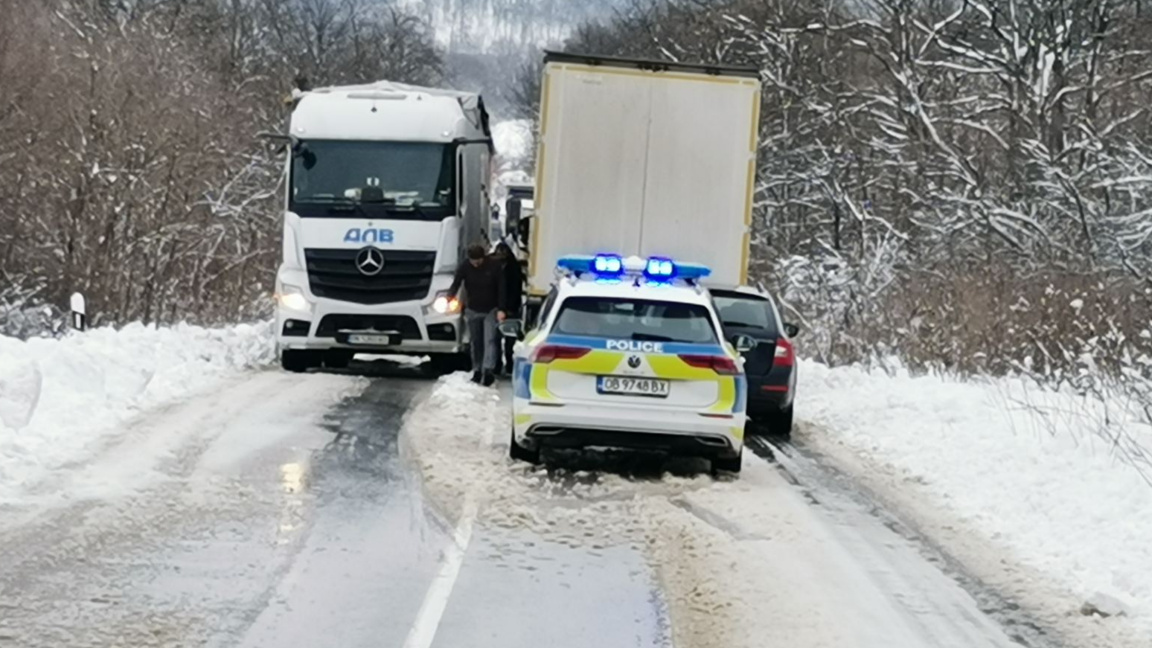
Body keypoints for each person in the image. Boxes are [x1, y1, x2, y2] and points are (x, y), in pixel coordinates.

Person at [448, 244, 506, 386]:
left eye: (478, 261)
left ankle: (488, 371)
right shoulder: (465, 266)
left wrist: (502, 308)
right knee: (476, 342)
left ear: (483, 257)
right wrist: (449, 296)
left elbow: (501, 287)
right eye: (473, 261)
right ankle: (477, 369)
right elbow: (457, 282)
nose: (475, 264)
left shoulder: (494, 266)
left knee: (490, 340)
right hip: (473, 308)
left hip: (491, 309)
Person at [493, 242, 524, 377]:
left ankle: (505, 364)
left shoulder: (511, 268)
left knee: (504, 340)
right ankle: (501, 364)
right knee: (498, 339)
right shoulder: (514, 267)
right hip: (503, 307)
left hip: (508, 307)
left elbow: (515, 290)